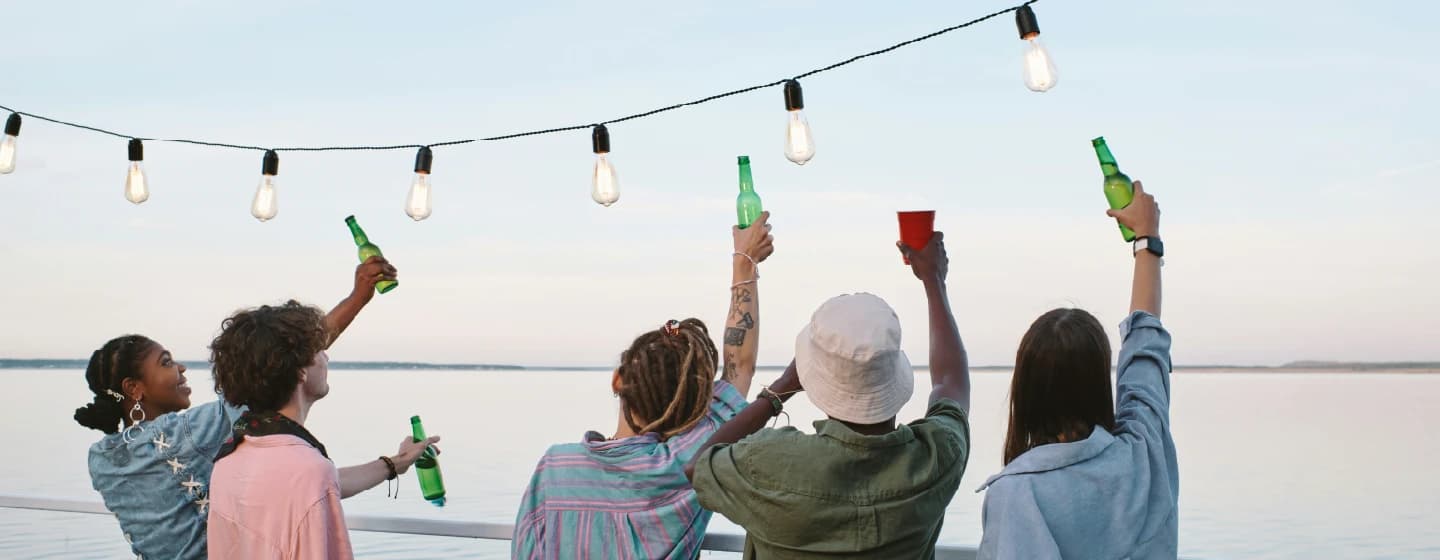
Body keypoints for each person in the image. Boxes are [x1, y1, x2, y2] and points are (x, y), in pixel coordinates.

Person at [73, 258, 433, 560]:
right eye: (166, 363)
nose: (180, 368)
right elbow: (280, 357)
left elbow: (307, 483)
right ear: (134, 389)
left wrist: (392, 465)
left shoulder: (102, 460)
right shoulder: (191, 434)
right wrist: (358, 297)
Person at [686, 231, 973, 558]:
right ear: (892, 375)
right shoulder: (936, 457)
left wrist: (780, 389)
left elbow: (696, 465)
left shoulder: (767, 463)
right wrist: (934, 280)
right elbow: (950, 382)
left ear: (813, 380)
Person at [511, 212, 776, 559]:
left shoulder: (555, 469)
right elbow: (739, 368)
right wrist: (745, 262)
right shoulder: (684, 466)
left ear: (618, 380)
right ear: (695, 404)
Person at [975, 180, 1175, 559]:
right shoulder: (1143, 455)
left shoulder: (1018, 494)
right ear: (1100, 382)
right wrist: (1147, 238)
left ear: (1026, 391)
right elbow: (1146, 349)